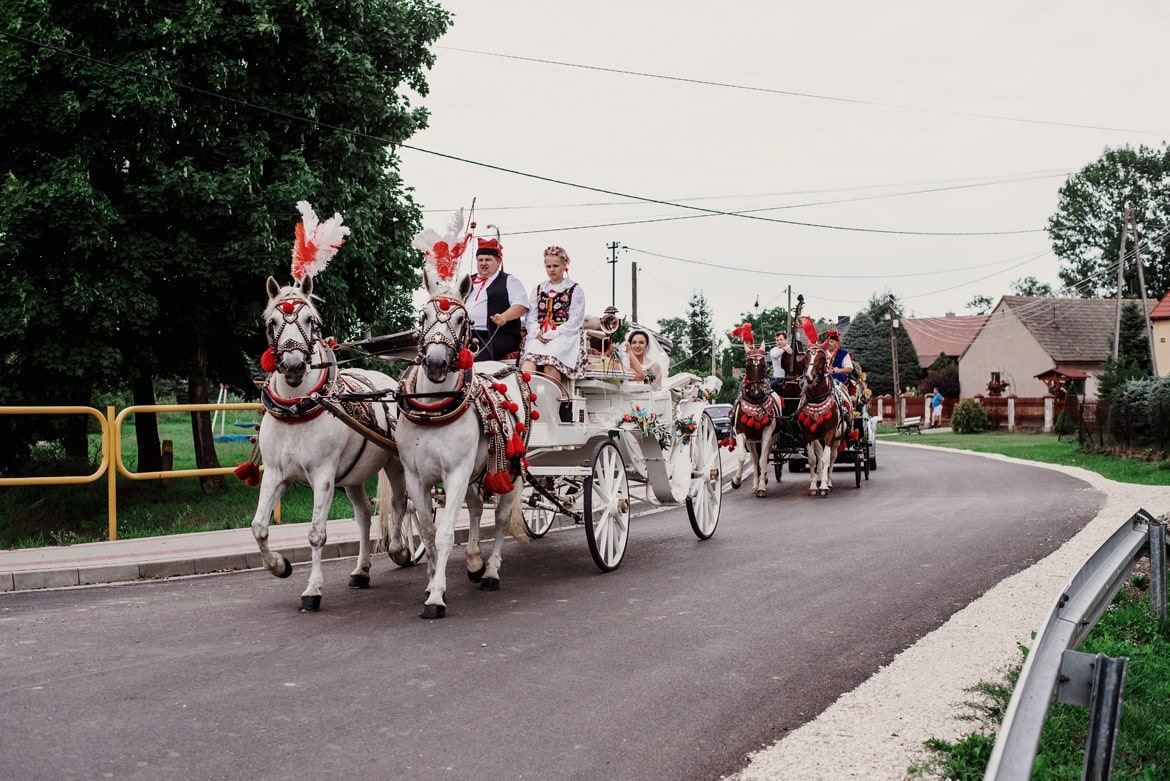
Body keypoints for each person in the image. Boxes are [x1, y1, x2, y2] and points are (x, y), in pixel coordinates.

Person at [521, 246, 587, 420]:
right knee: (529, 364)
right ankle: (527, 403)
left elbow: (575, 320)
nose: (552, 270)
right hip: (540, 333)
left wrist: (553, 333)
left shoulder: (574, 289)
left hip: (563, 334)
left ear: (564, 266)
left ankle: (552, 406)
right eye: (549, 266)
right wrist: (536, 331)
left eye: (555, 266)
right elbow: (531, 317)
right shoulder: (538, 289)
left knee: (551, 363)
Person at [466, 237, 529, 361]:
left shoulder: (509, 280)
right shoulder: (468, 281)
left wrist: (504, 316)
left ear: (499, 261)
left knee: (477, 358)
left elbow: (521, 305)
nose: (483, 263)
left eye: (488, 259)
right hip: (467, 334)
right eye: (480, 260)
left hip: (498, 335)